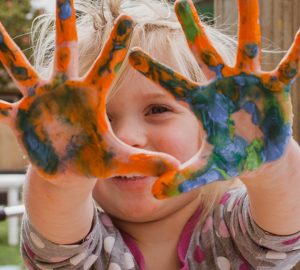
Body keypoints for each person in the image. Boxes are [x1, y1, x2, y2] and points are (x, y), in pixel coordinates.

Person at [0, 0, 299, 269]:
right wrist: (62, 180)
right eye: (98, 119)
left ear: (211, 126)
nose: (127, 136)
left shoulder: (236, 230)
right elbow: (56, 221)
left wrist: (273, 165)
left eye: (157, 110)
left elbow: (286, 220)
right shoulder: (81, 246)